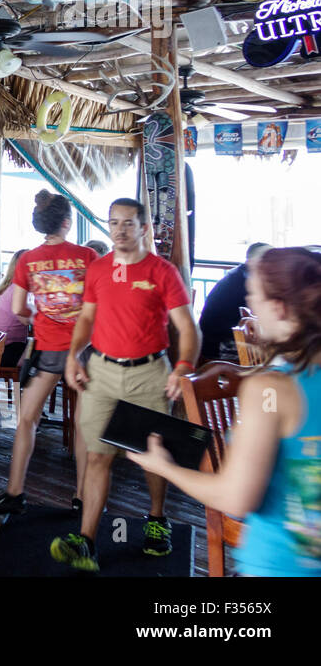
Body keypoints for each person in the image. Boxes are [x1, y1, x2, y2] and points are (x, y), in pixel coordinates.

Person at [126, 247, 321, 576]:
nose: (250, 307)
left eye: (254, 296)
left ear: (279, 307)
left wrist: (165, 467)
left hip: (283, 564)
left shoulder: (270, 391)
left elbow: (235, 499)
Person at [50, 199, 199, 573]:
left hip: (149, 372)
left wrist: (182, 368)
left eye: (127, 224)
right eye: (113, 223)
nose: (119, 230)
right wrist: (73, 355)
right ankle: (85, 541)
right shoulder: (98, 270)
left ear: (144, 228)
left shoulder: (163, 272)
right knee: (97, 455)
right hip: (101, 371)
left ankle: (156, 518)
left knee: (152, 454)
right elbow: (86, 318)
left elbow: (187, 328)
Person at [0, 191, 98, 517]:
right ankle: (82, 496)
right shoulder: (87, 256)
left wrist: (42, 319)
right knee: (83, 426)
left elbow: (19, 309)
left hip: (46, 349)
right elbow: (100, 304)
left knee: (27, 420)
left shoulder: (28, 260)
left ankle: (15, 492)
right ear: (66, 222)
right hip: (85, 350)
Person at [199, 243, 273, 364]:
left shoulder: (243, 274)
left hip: (221, 337)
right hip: (217, 344)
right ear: (252, 261)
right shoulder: (243, 281)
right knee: (271, 355)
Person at [0, 249, 31, 371]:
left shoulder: (12, 286)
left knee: (37, 347)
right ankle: (32, 387)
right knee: (41, 352)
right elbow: (26, 321)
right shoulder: (17, 290)